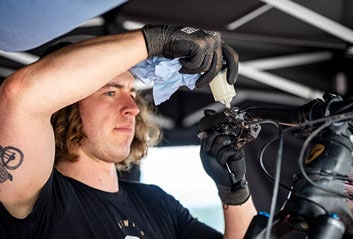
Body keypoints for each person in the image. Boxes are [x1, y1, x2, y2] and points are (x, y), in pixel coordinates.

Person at [0, 25, 256, 238]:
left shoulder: (157, 203)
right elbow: (19, 95)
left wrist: (235, 192)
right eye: (110, 92)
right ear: (64, 105)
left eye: (132, 93)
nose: (132, 108)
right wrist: (157, 41)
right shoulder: (40, 197)